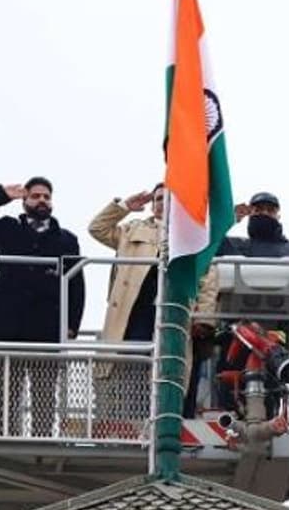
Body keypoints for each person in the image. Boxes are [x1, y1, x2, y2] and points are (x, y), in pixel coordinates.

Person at [88, 183, 218, 432]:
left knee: (170, 370)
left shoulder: (191, 236)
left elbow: (208, 279)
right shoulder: (132, 229)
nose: (162, 203)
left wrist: (204, 318)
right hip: (133, 315)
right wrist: (124, 207)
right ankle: (134, 424)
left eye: (169, 199)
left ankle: (166, 424)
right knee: (132, 370)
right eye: (158, 198)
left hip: (174, 314)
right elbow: (97, 229)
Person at [0, 178, 85, 438]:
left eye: (46, 197)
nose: (42, 201)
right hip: (9, 323)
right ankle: (5, 436)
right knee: (8, 389)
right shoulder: (7, 229)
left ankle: (42, 441)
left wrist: (72, 324)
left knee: (44, 393)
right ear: (25, 200)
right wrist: (1, 195)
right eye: (35, 196)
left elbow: (76, 283)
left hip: (47, 326)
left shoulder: (66, 239)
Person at [218, 191, 289, 258]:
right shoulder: (233, 245)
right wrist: (228, 219)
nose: (264, 213)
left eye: (270, 210)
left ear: (278, 216)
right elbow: (211, 241)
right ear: (249, 214)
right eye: (258, 209)